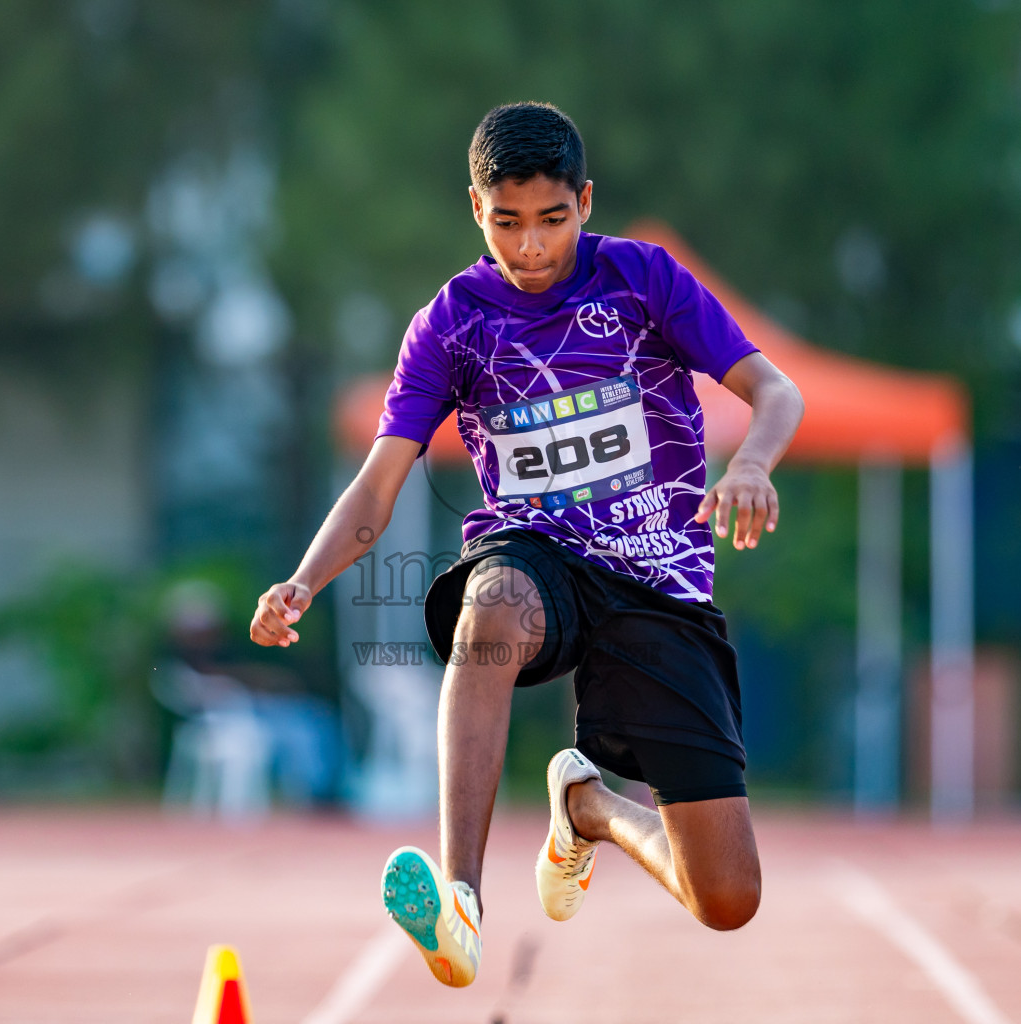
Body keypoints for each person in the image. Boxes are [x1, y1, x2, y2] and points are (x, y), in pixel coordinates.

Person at [250, 101, 804, 988]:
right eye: (508, 223)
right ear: (476, 209)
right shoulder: (451, 323)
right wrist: (303, 582)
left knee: (727, 898)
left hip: (662, 583)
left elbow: (775, 392)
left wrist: (754, 466)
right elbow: (378, 485)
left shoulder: (643, 280)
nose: (532, 247)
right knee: (490, 608)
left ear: (584, 202)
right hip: (539, 556)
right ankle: (460, 901)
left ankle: (588, 806)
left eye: (552, 221)